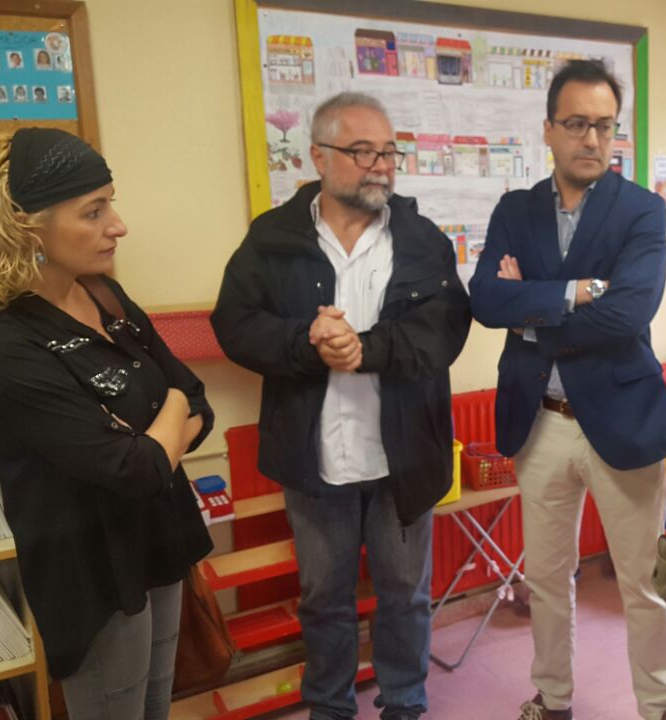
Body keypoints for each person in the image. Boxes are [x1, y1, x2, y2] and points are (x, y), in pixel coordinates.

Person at [212, 92, 471, 720]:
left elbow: (445, 330)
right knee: (324, 599)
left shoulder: (421, 239)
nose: (381, 165)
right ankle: (330, 706)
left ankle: (405, 703)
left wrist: (365, 349)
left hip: (404, 457)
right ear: (319, 157)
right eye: (362, 151)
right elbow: (235, 325)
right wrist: (307, 340)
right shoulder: (272, 238)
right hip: (315, 459)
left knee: (405, 595)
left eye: (388, 151)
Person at [0, 128, 213, 720]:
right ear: (26, 227)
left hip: (161, 539)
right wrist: (168, 413)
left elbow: (199, 402)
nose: (118, 226)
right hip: (93, 574)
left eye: (110, 205)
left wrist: (163, 422)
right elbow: (134, 468)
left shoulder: (105, 296)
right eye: (93, 212)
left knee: (157, 705)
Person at [469, 59, 666, 720]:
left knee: (642, 581)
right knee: (545, 577)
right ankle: (554, 697)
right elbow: (484, 299)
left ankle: (659, 706)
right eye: (577, 124)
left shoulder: (642, 210)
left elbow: (629, 313)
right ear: (549, 129)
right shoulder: (516, 209)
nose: (593, 139)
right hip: (541, 422)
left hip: (622, 420)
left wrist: (529, 312)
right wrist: (577, 291)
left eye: (605, 126)